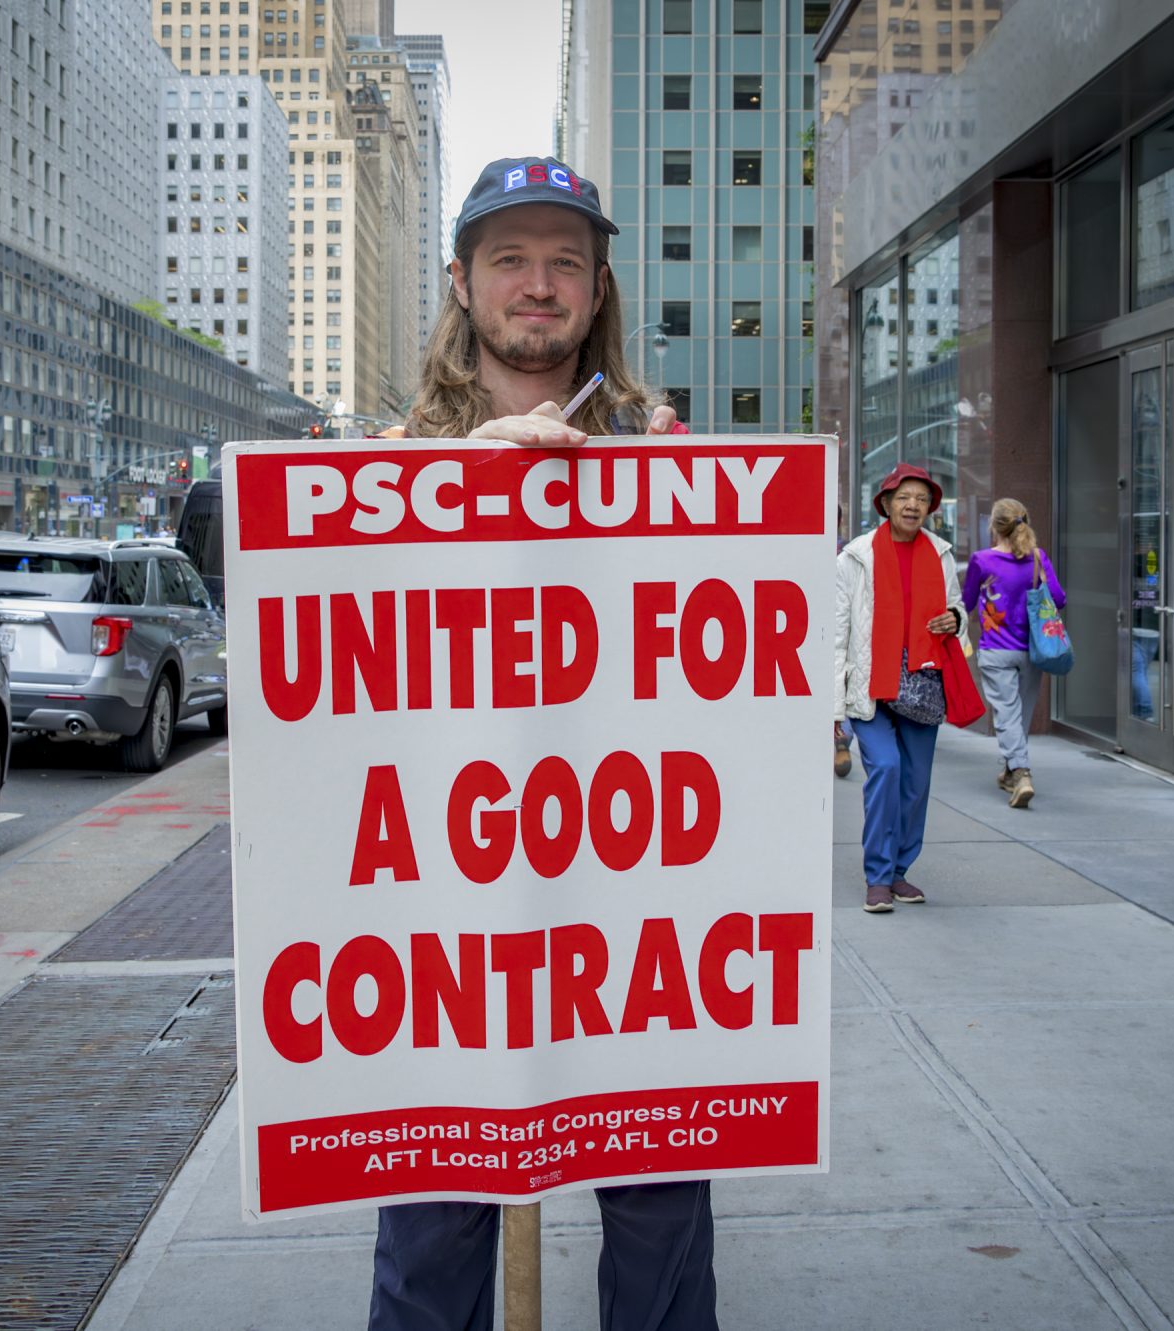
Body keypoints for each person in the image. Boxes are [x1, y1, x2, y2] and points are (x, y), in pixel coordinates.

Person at [370, 156, 711, 1331]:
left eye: (564, 260)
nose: (537, 283)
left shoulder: (664, 458)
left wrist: (677, 505)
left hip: (633, 916)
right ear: (460, 282)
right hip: (447, 931)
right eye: (509, 258)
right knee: (430, 1227)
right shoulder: (383, 461)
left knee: (664, 1208)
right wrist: (438, 493)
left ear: (598, 286)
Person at [834, 464, 968, 913]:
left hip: (923, 684)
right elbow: (837, 632)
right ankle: (877, 876)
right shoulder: (855, 557)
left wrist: (956, 619)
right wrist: (834, 705)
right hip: (871, 684)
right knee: (887, 770)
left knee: (916, 784)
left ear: (930, 508)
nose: (913, 505)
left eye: (922, 499)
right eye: (904, 497)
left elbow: (957, 613)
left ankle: (899, 871)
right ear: (887, 504)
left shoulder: (942, 554)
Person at [961, 499, 1065, 809]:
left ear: (993, 527)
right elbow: (1059, 598)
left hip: (995, 650)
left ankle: (1021, 772)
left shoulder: (981, 561)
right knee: (1020, 716)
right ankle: (1010, 771)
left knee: (1006, 714)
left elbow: (965, 604)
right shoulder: (1037, 558)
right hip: (1032, 649)